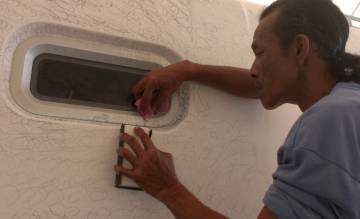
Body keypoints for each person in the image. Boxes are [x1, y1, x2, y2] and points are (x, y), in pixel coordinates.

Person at [114, 0, 360, 218]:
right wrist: (188, 70)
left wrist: (166, 188)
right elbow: (258, 85)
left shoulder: (329, 119)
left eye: (260, 53)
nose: (253, 69)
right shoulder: (349, 101)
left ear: (299, 48)